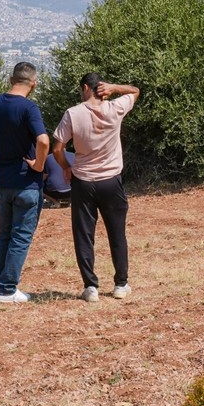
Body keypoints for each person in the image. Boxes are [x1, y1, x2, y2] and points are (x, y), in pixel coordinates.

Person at [52, 73, 140, 303]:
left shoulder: (73, 113)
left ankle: (91, 286)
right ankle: (121, 284)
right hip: (111, 179)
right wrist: (114, 87)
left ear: (85, 88)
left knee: (84, 235)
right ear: (101, 88)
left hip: (83, 181)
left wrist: (66, 168)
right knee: (117, 232)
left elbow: (57, 149)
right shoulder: (115, 108)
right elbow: (135, 91)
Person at [0, 62, 50, 304]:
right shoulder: (29, 107)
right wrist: (39, 165)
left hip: (1, 181)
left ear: (11, 80)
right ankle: (8, 289)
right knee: (21, 236)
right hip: (26, 182)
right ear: (34, 83)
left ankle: (1, 284)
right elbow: (43, 140)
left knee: (4, 234)